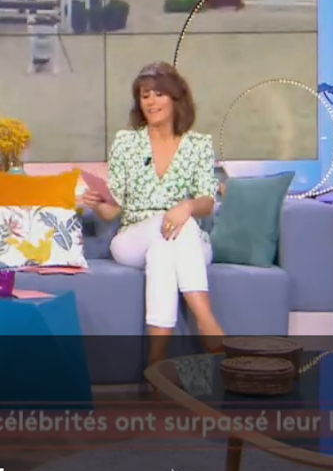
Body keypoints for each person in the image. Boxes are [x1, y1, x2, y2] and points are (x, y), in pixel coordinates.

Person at [81, 62, 225, 364]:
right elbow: (113, 211)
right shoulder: (127, 143)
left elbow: (207, 202)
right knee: (166, 226)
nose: (151, 101)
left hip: (186, 240)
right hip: (132, 238)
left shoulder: (198, 145)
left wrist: (186, 206)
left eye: (159, 94)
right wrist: (98, 203)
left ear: (176, 98)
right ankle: (207, 322)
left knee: (164, 249)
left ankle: (156, 364)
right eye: (145, 95)